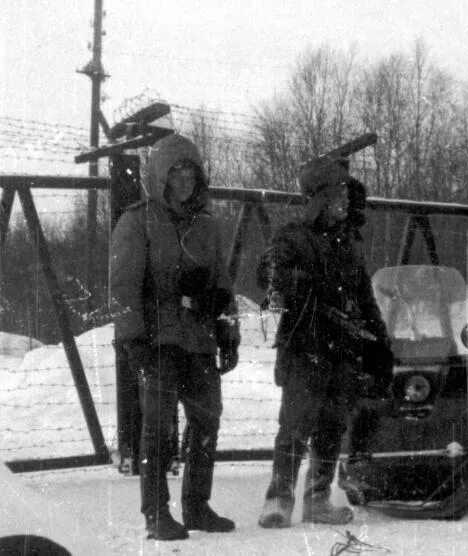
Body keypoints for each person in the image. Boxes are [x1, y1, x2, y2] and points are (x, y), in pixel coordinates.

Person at [110, 133, 238, 540]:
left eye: (191, 172)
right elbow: (123, 285)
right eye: (176, 172)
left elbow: (222, 283)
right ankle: (156, 513)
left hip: (198, 337)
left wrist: (227, 330)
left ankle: (197, 506)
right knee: (158, 427)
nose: (184, 180)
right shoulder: (137, 220)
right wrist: (133, 341)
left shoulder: (208, 225)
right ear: (161, 177)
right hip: (158, 337)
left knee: (206, 419)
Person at [256, 155, 393, 529]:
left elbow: (365, 297)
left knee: (333, 427)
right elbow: (268, 277)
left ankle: (317, 498)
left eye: (348, 196)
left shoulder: (349, 242)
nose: (345, 203)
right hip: (305, 347)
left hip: (343, 351)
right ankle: (278, 499)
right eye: (339, 195)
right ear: (319, 197)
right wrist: (307, 284)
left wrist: (380, 341)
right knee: (296, 426)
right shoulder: (291, 236)